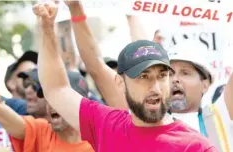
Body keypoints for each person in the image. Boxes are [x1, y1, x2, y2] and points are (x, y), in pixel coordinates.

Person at [34, 1, 217, 151]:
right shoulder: (106, 125)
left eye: (161, 76)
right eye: (143, 77)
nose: (155, 87)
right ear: (120, 83)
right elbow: (56, 88)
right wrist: (47, 28)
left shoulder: (196, 147)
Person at [0, 29, 94, 152]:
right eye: (50, 99)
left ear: (81, 104)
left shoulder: (102, 141)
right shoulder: (40, 132)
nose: (52, 105)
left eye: (61, 100)